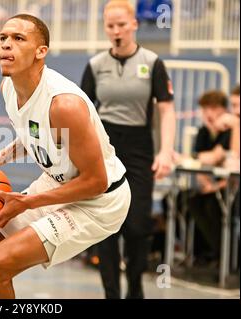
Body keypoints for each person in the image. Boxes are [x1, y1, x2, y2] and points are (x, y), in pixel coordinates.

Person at [0, 14, 130, 299]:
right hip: (57, 183)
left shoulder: (65, 105)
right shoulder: (9, 88)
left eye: (18, 38)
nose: (6, 45)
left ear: (41, 52)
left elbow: (96, 182)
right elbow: (34, 133)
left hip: (100, 201)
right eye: (3, 38)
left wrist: (28, 202)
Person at [80, 0, 175, 298]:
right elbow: (83, 112)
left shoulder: (153, 62)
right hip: (105, 146)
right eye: (111, 26)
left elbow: (167, 110)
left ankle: (135, 286)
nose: (116, 31)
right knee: (106, 226)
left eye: (122, 24)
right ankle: (111, 293)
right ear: (105, 29)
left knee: (137, 225)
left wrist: (166, 151)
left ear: (134, 24)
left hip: (139, 147)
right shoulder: (96, 65)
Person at [187, 90, 233, 263]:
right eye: (205, 109)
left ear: (223, 109)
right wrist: (207, 185)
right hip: (214, 187)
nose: (208, 113)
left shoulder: (230, 131)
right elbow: (200, 167)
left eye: (213, 108)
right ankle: (204, 254)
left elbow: (214, 157)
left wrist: (215, 187)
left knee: (213, 206)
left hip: (227, 187)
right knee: (189, 201)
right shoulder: (203, 132)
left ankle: (224, 255)